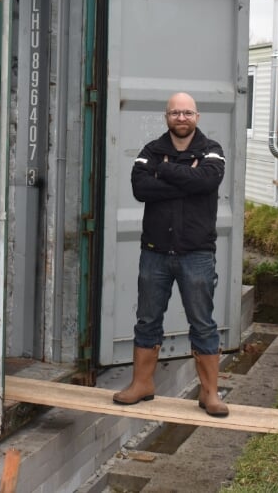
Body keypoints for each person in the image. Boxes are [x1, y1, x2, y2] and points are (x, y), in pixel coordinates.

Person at [112, 92, 229, 417]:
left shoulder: (212, 151)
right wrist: (186, 179)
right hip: (155, 253)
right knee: (147, 320)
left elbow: (207, 181)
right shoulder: (152, 150)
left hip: (197, 254)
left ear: (197, 117)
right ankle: (142, 384)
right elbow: (140, 189)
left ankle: (209, 394)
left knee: (202, 324)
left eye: (187, 112)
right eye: (175, 112)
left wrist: (164, 171)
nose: (181, 118)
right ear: (167, 117)